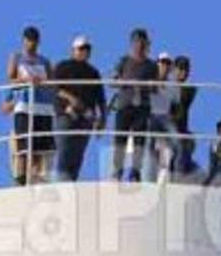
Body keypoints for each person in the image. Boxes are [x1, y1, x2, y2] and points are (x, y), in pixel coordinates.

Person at [1, 26, 56, 185]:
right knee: (24, 144)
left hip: (43, 106)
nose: (31, 43)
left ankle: (37, 175)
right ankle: (22, 177)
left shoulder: (44, 61)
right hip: (24, 105)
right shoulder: (16, 57)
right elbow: (10, 79)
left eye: (34, 40)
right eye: (28, 40)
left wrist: (44, 84)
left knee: (40, 146)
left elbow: (52, 83)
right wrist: (25, 82)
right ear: (23, 40)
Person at [53, 35, 106, 181]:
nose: (85, 51)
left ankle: (70, 185)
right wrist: (71, 99)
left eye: (87, 48)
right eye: (81, 48)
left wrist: (102, 119)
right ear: (73, 50)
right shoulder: (63, 66)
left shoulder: (93, 73)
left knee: (77, 156)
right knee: (64, 153)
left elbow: (101, 98)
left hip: (85, 119)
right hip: (66, 115)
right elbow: (54, 87)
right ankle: (62, 187)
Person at [110, 28, 158, 182]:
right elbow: (112, 80)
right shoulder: (123, 61)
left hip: (142, 107)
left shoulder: (152, 65)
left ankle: (135, 172)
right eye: (137, 41)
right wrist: (122, 81)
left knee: (139, 141)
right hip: (124, 105)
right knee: (120, 140)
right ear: (132, 43)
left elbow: (155, 88)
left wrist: (145, 86)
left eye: (143, 42)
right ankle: (117, 171)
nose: (140, 45)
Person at [145, 51, 179, 181]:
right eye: (162, 62)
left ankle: (170, 173)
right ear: (157, 64)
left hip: (165, 117)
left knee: (176, 142)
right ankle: (149, 175)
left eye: (167, 63)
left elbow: (176, 104)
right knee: (149, 144)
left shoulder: (173, 85)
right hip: (151, 115)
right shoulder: (149, 80)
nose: (165, 66)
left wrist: (174, 115)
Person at [170, 55, 197, 177]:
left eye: (186, 69)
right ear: (173, 69)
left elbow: (183, 98)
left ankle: (179, 176)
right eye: (180, 68)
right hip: (166, 130)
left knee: (188, 144)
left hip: (181, 130)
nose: (183, 72)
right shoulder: (165, 88)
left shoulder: (189, 90)